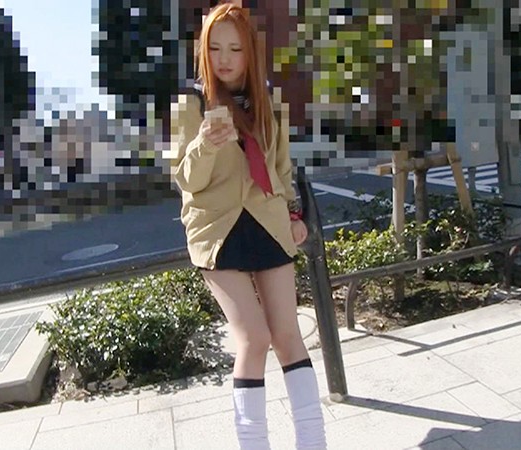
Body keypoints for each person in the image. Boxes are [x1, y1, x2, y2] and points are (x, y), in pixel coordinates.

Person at [171, 3, 327, 449]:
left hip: (267, 221)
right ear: (203, 51)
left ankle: (313, 443)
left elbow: (280, 165)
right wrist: (204, 144)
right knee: (254, 338)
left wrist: (293, 215)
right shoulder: (191, 102)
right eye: (215, 48)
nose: (224, 58)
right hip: (217, 230)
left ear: (250, 52)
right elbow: (185, 179)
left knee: (288, 336)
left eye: (235, 49)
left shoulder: (268, 100)